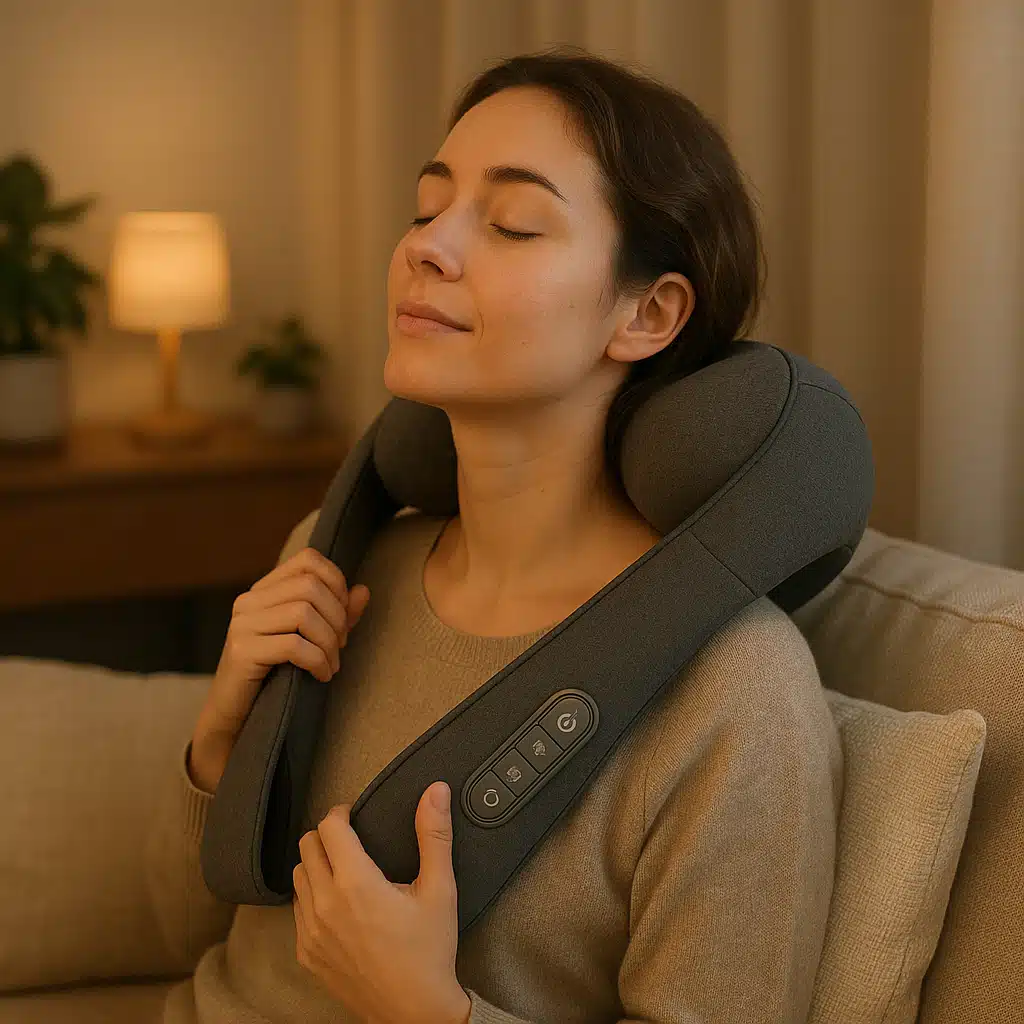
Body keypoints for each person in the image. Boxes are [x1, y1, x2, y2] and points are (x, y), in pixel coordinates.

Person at [148, 46, 843, 1024]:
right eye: (427, 206)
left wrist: (430, 1009)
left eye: (512, 222)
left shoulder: (736, 695)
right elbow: (185, 945)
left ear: (648, 312)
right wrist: (221, 742)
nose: (428, 245)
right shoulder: (337, 564)